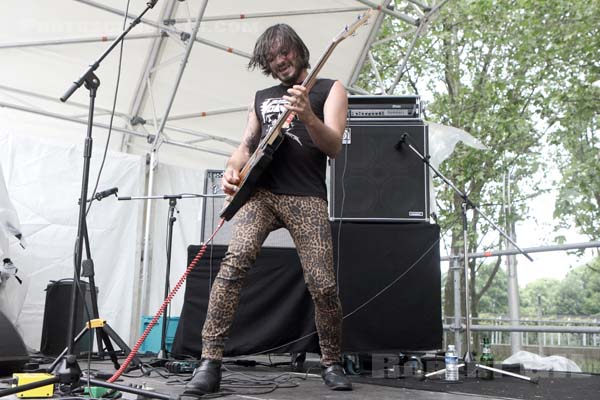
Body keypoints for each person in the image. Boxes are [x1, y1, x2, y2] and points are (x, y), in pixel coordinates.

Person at [184, 24, 352, 394]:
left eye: (284, 53)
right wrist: (232, 169)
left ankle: (332, 361)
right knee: (234, 262)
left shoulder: (329, 88)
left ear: (298, 50)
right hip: (261, 194)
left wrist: (308, 116)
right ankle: (209, 363)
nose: (279, 61)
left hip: (306, 196)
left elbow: (334, 145)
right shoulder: (261, 96)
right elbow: (245, 146)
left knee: (322, 284)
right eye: (272, 58)